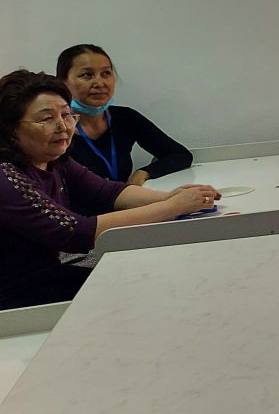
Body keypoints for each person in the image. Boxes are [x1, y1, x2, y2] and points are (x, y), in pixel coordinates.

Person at [0, 69, 220, 310]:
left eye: (66, 115)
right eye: (46, 119)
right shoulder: (6, 175)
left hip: (44, 276)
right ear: (10, 130)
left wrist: (170, 197)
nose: (63, 126)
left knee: (149, 278)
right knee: (144, 295)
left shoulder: (54, 159)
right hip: (14, 298)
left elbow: (108, 192)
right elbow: (76, 233)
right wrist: (171, 207)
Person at [56, 44, 191, 184]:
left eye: (106, 73)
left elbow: (180, 155)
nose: (100, 83)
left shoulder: (125, 118)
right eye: (87, 75)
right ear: (62, 83)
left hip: (125, 197)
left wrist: (143, 173)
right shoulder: (56, 130)